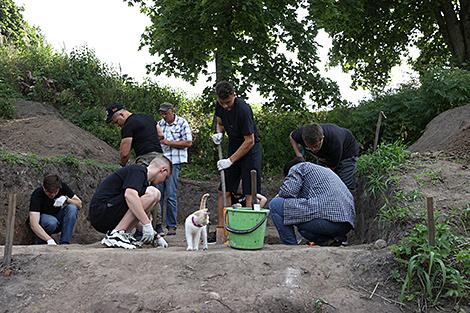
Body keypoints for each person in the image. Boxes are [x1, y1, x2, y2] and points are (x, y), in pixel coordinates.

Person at [105, 103, 165, 235]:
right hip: (160, 158)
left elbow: (125, 152)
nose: (118, 125)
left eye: (116, 122)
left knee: (142, 192)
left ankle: (142, 228)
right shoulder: (148, 117)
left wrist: (122, 165)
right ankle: (158, 226)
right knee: (154, 191)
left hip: (145, 158)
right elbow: (161, 135)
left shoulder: (128, 125)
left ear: (121, 114)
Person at [88, 154, 172, 249]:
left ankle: (123, 234)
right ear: (163, 170)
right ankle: (117, 234)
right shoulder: (138, 170)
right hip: (101, 211)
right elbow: (129, 195)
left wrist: (155, 235)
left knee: (145, 200)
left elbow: (135, 213)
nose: (164, 181)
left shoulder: (142, 182)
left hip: (107, 215)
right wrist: (147, 224)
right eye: (166, 177)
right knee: (154, 193)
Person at [269, 157, 355, 246]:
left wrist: (279, 195)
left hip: (328, 220)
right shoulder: (324, 171)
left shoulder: (297, 167)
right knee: (304, 231)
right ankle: (329, 241)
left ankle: (290, 246)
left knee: (275, 204)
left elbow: (288, 192)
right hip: (346, 225)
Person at [212, 81, 262, 226]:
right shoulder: (220, 106)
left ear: (234, 95)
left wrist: (230, 160)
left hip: (250, 150)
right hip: (234, 146)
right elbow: (220, 123)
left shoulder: (243, 110)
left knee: (249, 192)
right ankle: (223, 229)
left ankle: (246, 228)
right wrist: (219, 133)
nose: (225, 106)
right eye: (222, 103)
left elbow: (249, 141)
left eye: (228, 102)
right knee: (224, 189)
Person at [157, 102, 193, 236]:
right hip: (160, 163)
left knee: (171, 195)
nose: (164, 115)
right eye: (162, 113)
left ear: (173, 111)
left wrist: (168, 143)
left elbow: (188, 142)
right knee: (157, 195)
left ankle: (171, 226)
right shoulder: (159, 124)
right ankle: (157, 225)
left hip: (175, 163)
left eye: (166, 113)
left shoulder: (182, 123)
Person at [289, 123, 359, 190]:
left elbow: (330, 169)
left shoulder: (334, 141)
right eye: (309, 147)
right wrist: (299, 155)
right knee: (320, 182)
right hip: (325, 155)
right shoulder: (302, 134)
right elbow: (292, 136)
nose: (313, 150)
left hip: (347, 153)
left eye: (315, 146)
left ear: (322, 138)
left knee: (344, 185)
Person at [29, 174, 82, 245]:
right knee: (51, 222)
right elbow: (33, 224)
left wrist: (67, 199)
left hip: (58, 219)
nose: (53, 195)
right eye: (49, 193)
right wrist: (49, 239)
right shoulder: (37, 194)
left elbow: (79, 204)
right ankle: (42, 240)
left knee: (72, 208)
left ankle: (65, 243)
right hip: (45, 222)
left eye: (55, 192)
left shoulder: (63, 187)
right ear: (44, 188)